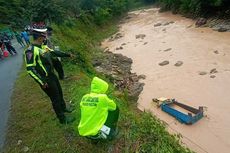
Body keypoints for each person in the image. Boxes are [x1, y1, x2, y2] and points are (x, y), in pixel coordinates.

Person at [24, 28, 75, 124]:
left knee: (59, 93)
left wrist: (68, 55)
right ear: (39, 38)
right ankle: (62, 119)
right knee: (55, 98)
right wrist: (41, 81)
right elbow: (30, 69)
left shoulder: (43, 47)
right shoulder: (30, 51)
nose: (45, 38)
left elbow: (54, 52)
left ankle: (64, 108)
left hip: (52, 75)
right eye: (44, 36)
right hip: (45, 79)